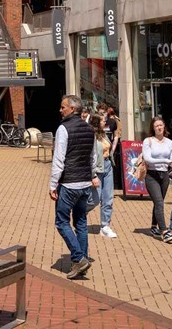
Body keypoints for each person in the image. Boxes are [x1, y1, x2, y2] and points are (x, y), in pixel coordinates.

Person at [49, 95, 99, 280]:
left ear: (72, 109)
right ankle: (82, 260)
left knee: (62, 222)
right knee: (81, 222)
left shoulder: (63, 128)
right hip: (85, 183)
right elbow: (93, 158)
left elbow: (59, 159)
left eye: (63, 107)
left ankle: (78, 258)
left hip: (69, 184)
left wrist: (53, 184)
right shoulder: (89, 129)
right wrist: (91, 175)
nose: (60, 110)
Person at [143, 116, 172, 243]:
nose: (159, 127)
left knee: (158, 202)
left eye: (161, 125)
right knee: (159, 202)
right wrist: (166, 160)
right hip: (151, 175)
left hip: (164, 175)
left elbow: (171, 159)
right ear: (153, 128)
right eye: (156, 125)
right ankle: (164, 231)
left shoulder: (169, 142)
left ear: (164, 127)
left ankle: (154, 226)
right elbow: (148, 159)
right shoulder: (148, 141)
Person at [89, 114, 116, 238]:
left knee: (108, 198)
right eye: (103, 119)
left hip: (107, 166)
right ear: (96, 122)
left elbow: (109, 149)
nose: (105, 120)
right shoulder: (91, 136)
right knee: (94, 199)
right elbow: (89, 157)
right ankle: (79, 214)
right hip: (97, 169)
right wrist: (92, 174)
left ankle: (105, 226)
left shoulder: (104, 134)